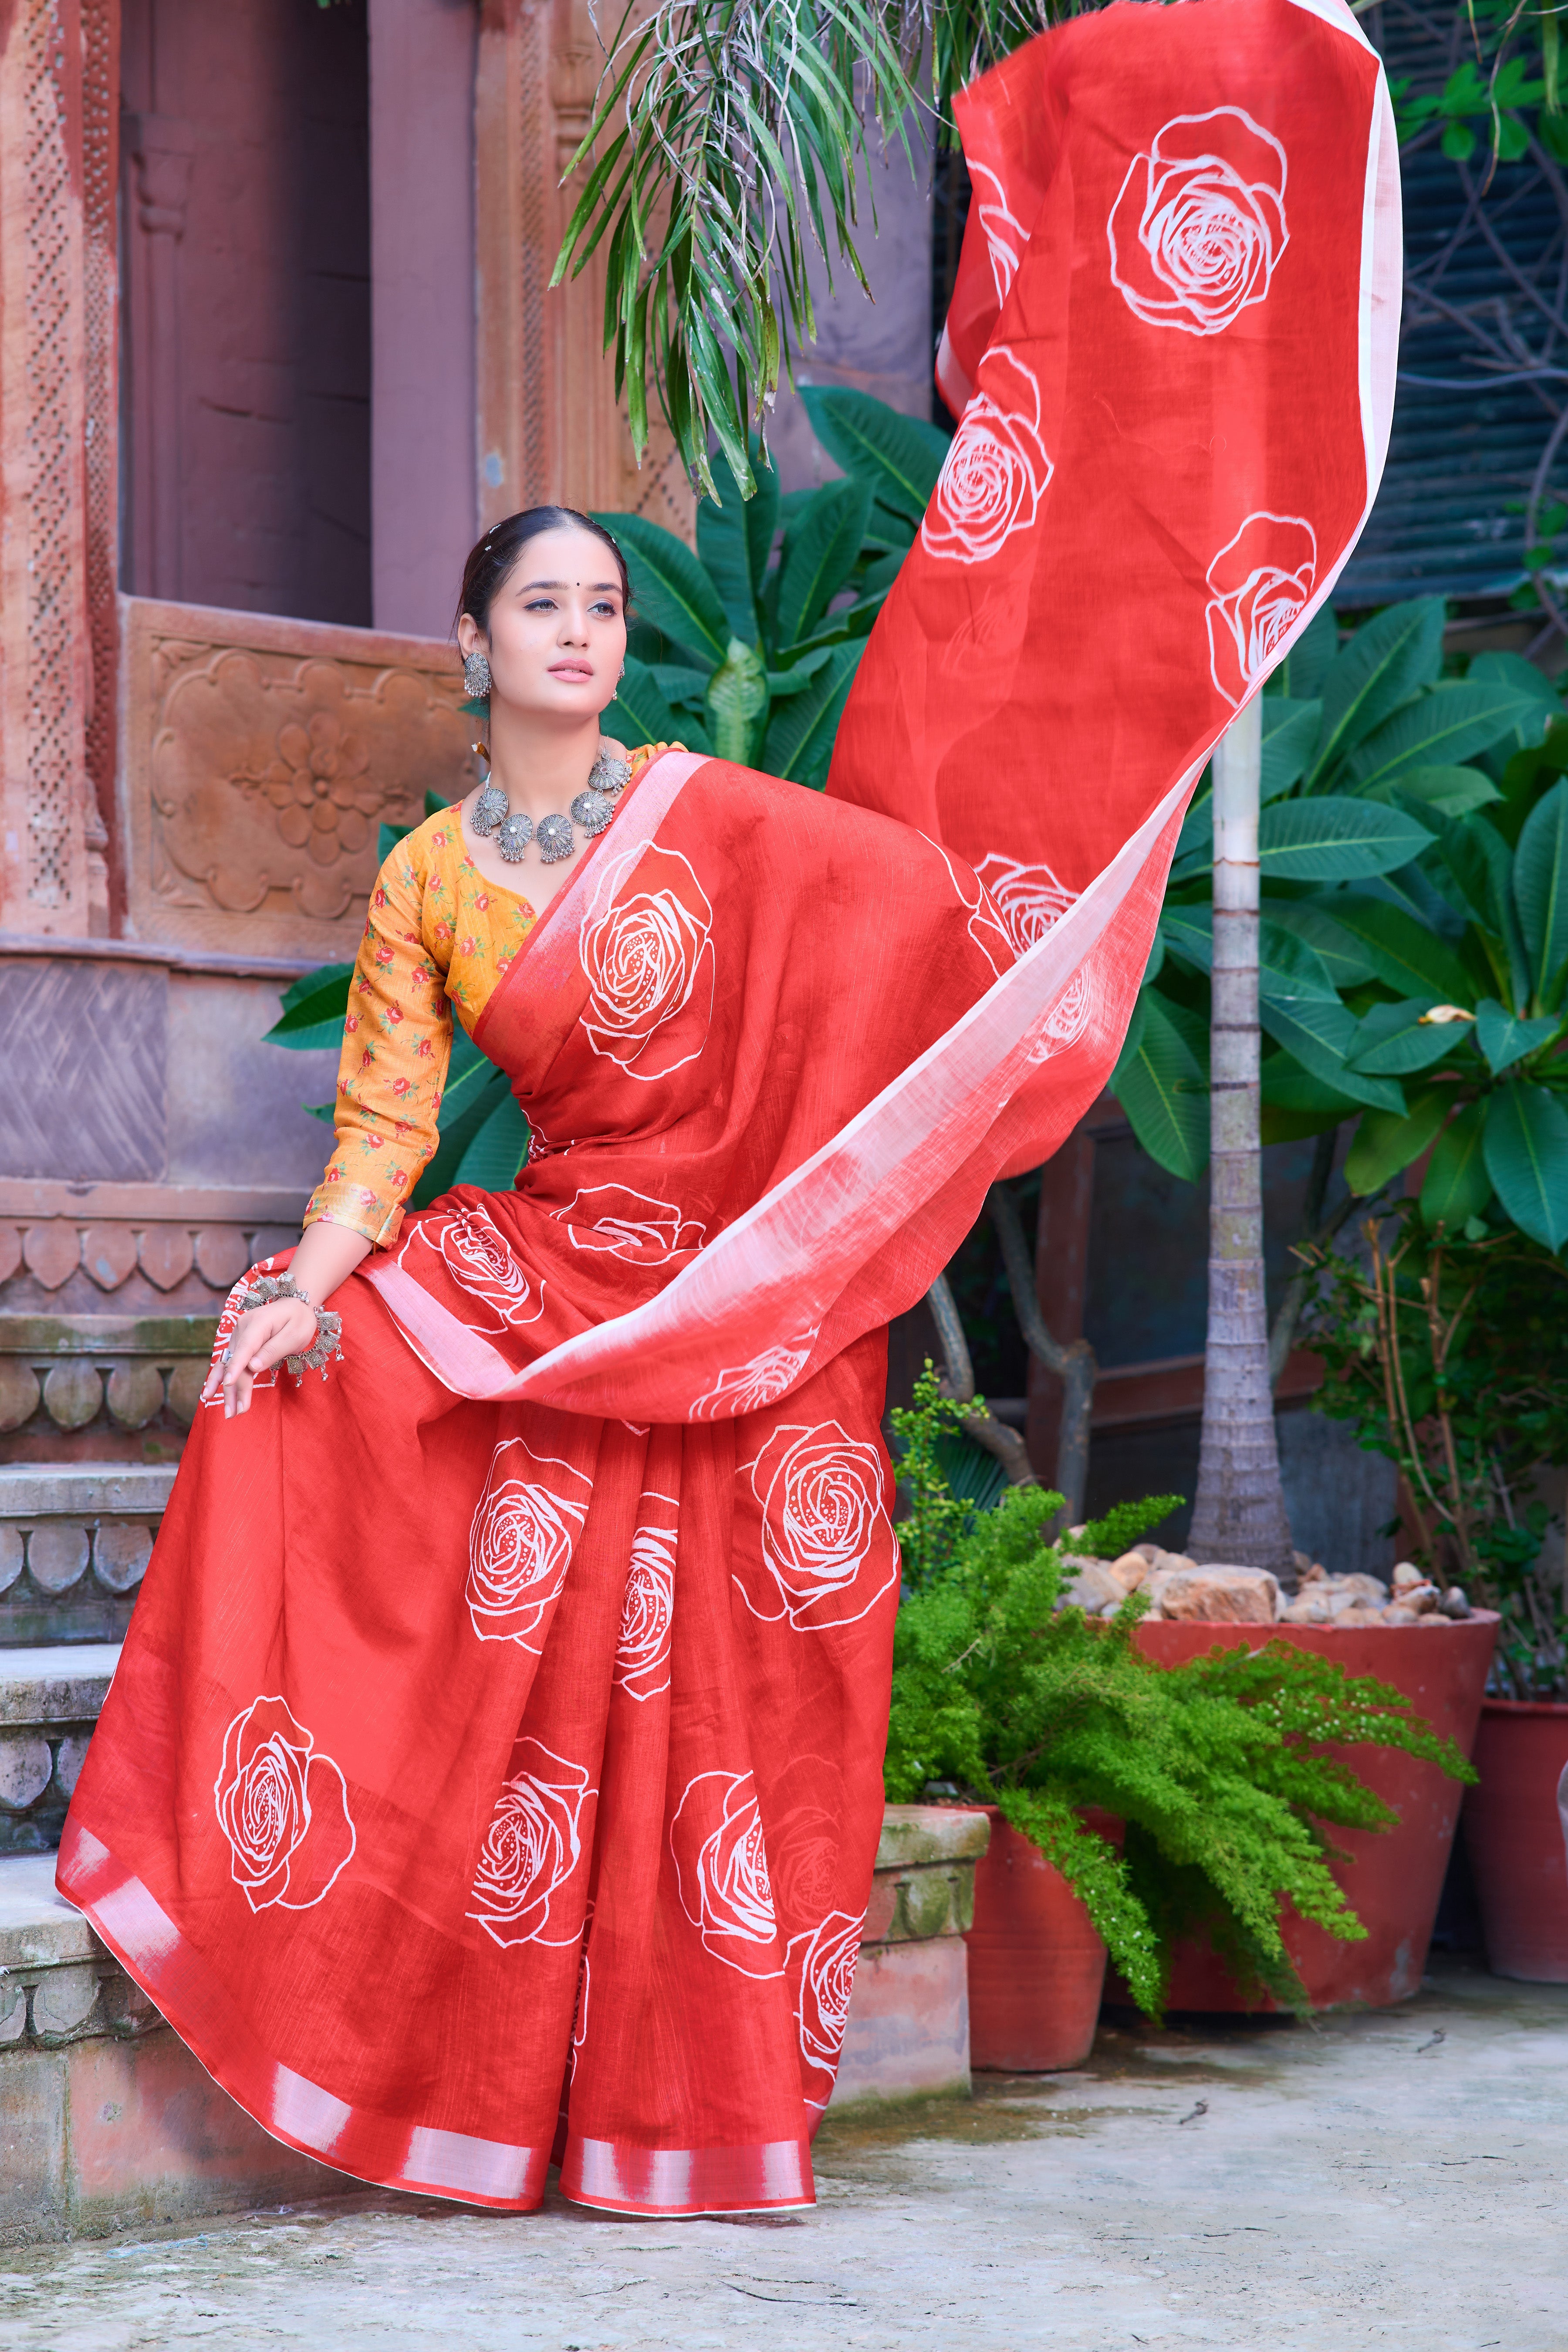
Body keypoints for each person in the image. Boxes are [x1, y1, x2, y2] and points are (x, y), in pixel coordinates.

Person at [59, 0, 1397, 2219]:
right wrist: (308, 1287)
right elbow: (385, 1129)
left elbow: (940, 902)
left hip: (751, 1288)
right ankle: (377, 1983)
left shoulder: (736, 825)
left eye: (605, 603)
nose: (584, 630)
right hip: (562, 1264)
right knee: (297, 1385)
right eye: (543, 606)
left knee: (771, 1622)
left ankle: (691, 2115)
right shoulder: (427, 877)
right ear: (473, 648)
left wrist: (1077, 607)